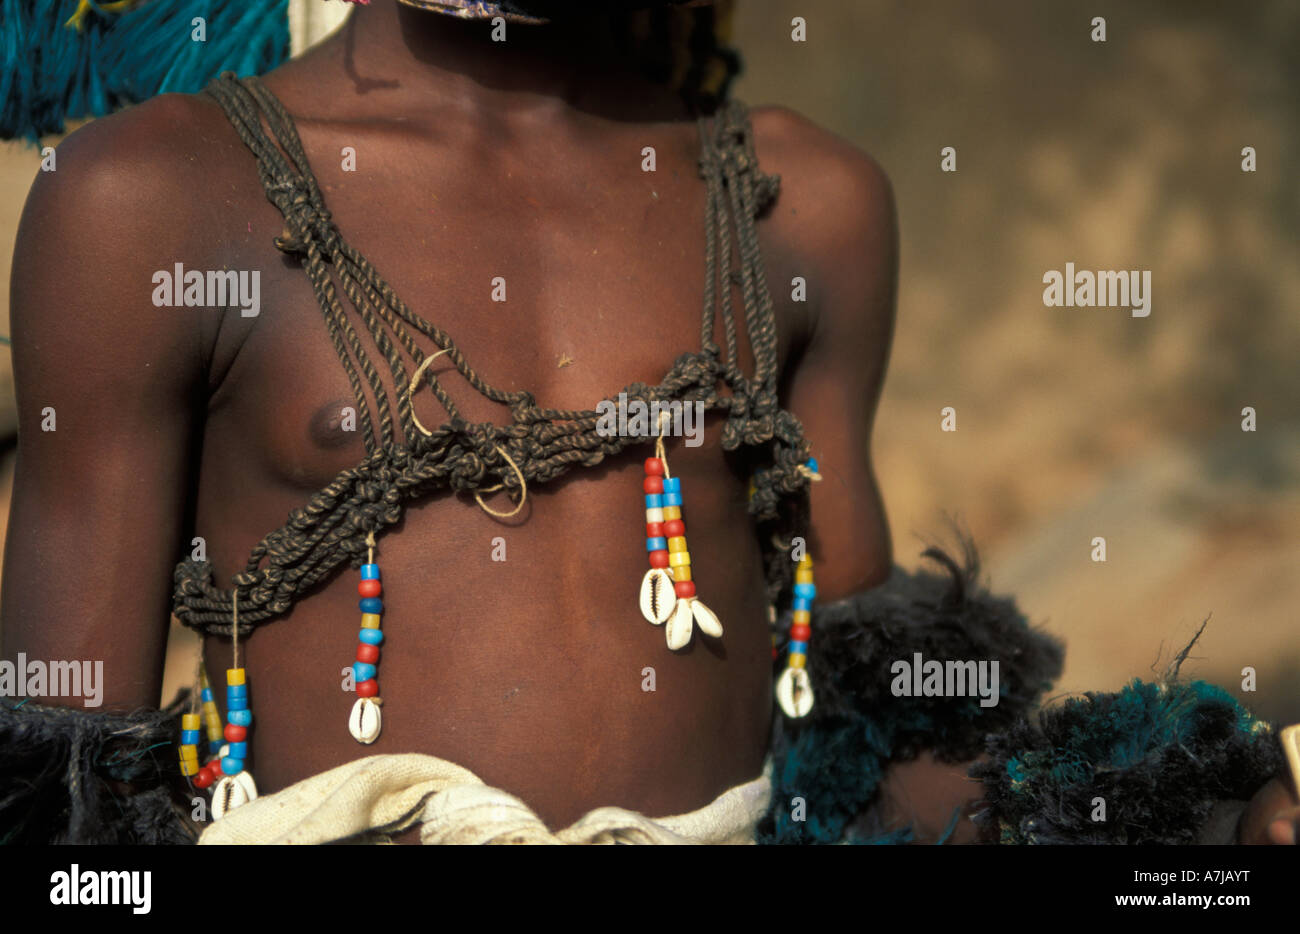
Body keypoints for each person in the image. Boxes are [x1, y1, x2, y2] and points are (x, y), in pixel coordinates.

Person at [2, 0, 1295, 845]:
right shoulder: (149, 204)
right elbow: (56, 822)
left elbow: (864, 767)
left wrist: (1180, 816)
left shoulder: (798, 208)